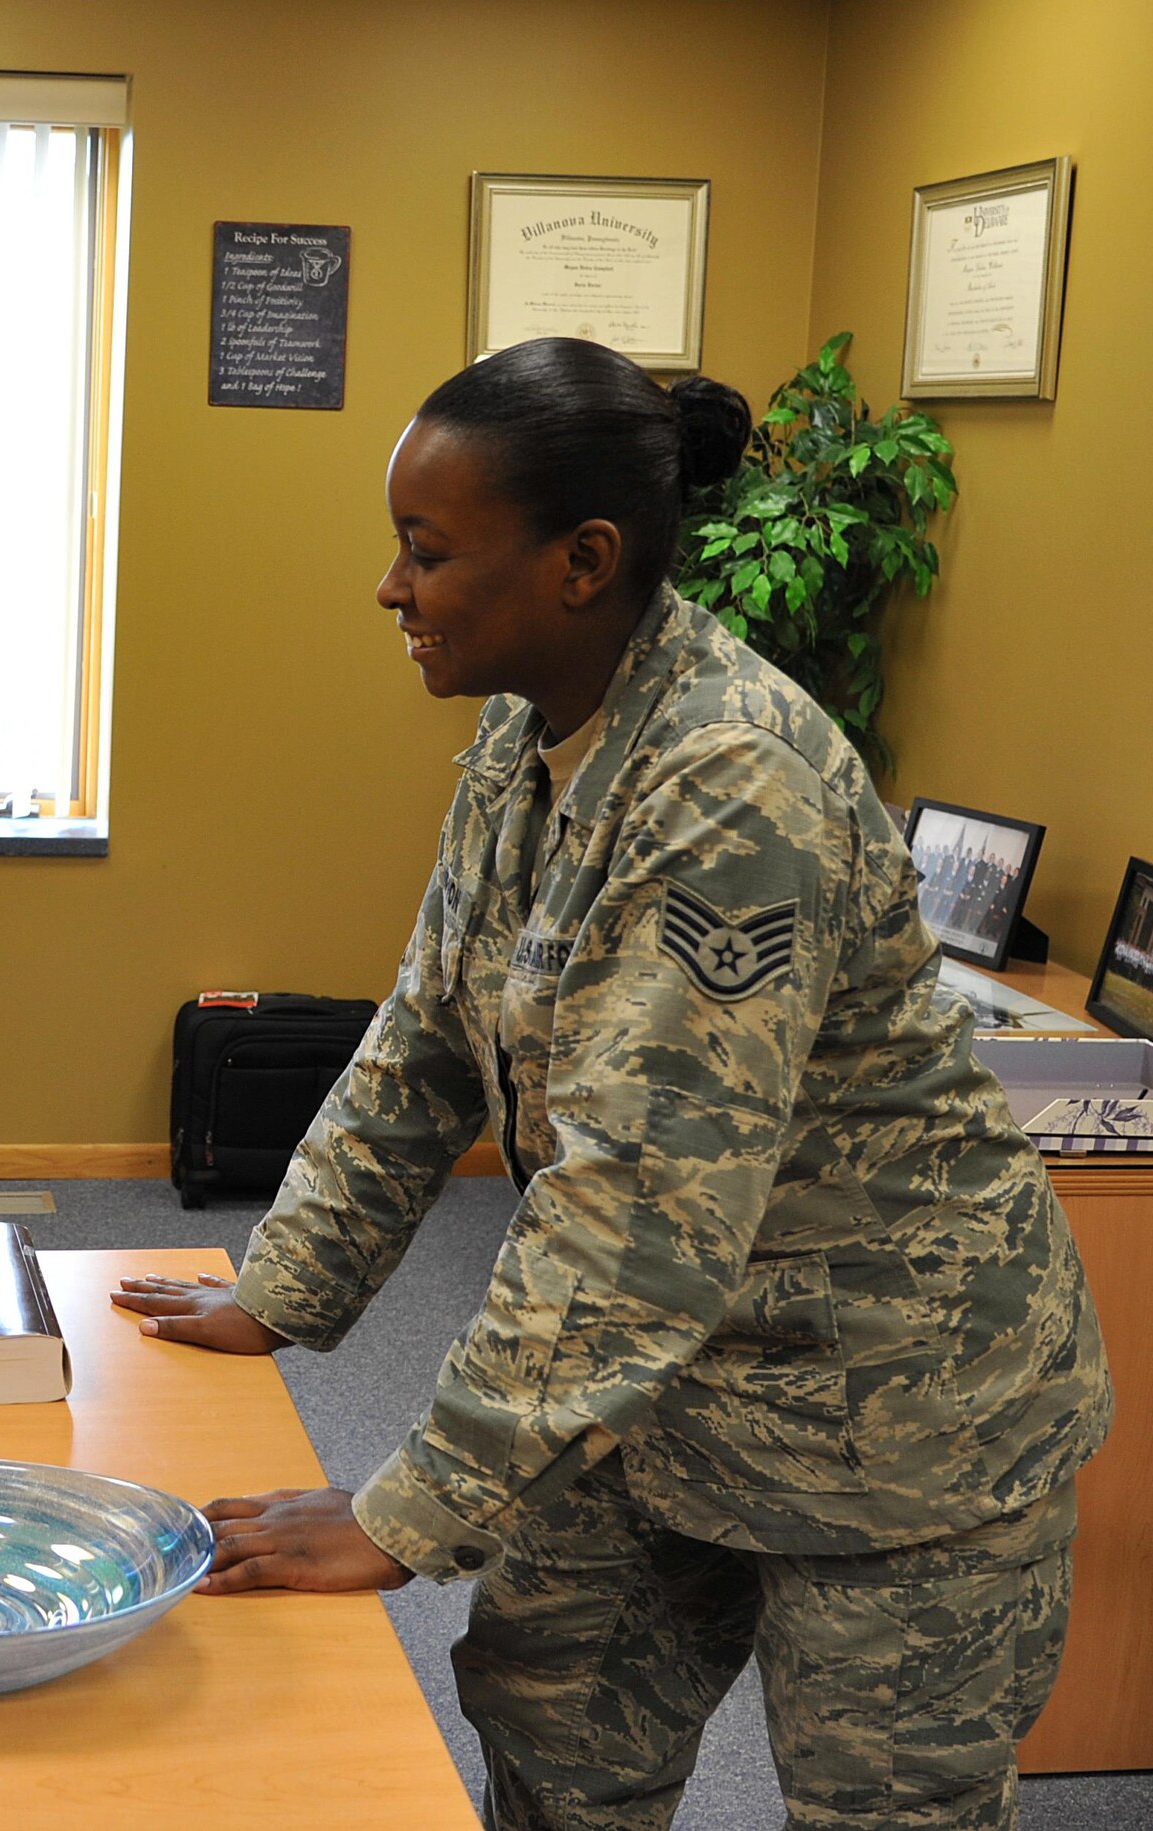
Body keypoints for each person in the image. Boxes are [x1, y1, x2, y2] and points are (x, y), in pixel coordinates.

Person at [112, 339, 1111, 1829]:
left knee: (884, 1804)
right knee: (552, 1714)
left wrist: (402, 1507)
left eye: (425, 550)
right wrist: (285, 1285)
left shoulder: (732, 782)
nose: (391, 588)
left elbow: (636, 1211)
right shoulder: (524, 738)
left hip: (901, 1411)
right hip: (658, 1385)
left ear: (581, 561)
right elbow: (425, 1040)